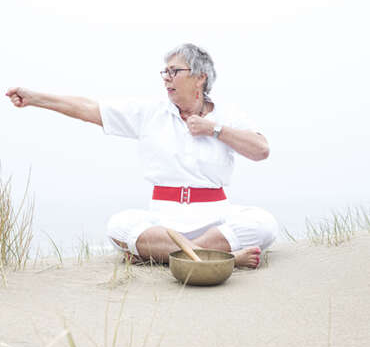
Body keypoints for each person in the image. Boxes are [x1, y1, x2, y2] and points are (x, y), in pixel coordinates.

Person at [6, 43, 279, 268]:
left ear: (200, 76)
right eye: (165, 72)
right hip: (163, 221)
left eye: (174, 71)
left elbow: (261, 150)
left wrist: (214, 129)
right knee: (119, 226)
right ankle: (222, 260)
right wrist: (35, 98)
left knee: (264, 224)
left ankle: (165, 256)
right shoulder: (150, 112)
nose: (166, 78)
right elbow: (90, 108)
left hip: (216, 220)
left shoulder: (227, 115)